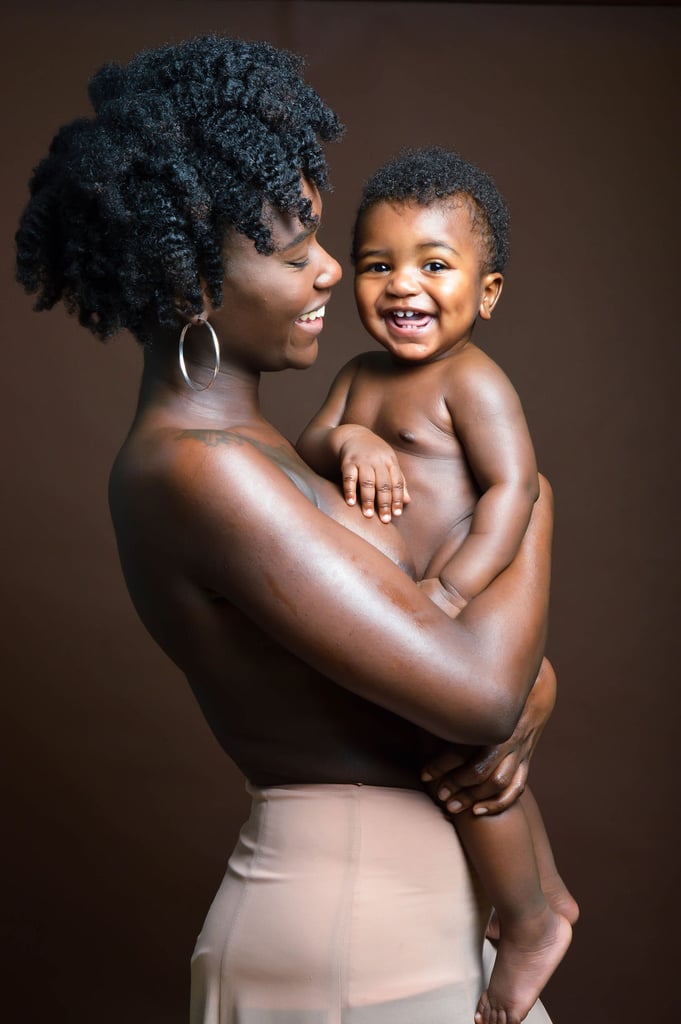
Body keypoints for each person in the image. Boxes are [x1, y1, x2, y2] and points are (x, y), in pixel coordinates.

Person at [16, 36, 558, 1024]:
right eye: (292, 250)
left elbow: (467, 663)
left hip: (398, 922)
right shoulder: (204, 470)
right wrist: (537, 501)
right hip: (354, 934)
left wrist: (531, 690)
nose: (327, 275)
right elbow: (479, 690)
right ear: (191, 289)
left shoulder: (264, 451)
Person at [298, 146, 578, 1023]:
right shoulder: (356, 378)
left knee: (463, 760)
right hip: (415, 610)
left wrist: (453, 596)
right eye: (378, 265)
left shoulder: (473, 382)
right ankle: (553, 893)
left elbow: (514, 492)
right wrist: (352, 443)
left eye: (433, 264)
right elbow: (308, 448)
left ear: (485, 293)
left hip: (467, 598)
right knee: (481, 766)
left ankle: (529, 923)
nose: (400, 285)